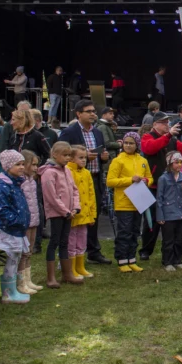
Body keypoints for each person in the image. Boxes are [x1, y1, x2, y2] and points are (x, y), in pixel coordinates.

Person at [58, 100, 111, 265]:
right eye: (88, 111)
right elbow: (61, 154)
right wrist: (83, 156)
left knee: (92, 215)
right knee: (76, 216)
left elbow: (102, 152)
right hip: (74, 181)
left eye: (94, 111)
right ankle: (69, 252)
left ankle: (93, 251)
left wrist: (104, 158)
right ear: (78, 114)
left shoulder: (97, 133)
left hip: (94, 178)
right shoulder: (69, 132)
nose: (93, 114)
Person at [139, 112, 182, 261]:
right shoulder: (148, 136)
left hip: (170, 185)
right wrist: (168, 135)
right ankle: (146, 249)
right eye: (163, 122)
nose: (167, 124)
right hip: (152, 184)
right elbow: (150, 148)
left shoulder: (171, 139)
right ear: (155, 124)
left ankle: (169, 251)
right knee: (151, 220)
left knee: (169, 219)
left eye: (168, 122)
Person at [107, 132, 152, 272]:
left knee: (134, 232)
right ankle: (122, 260)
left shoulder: (142, 161)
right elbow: (110, 181)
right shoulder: (118, 160)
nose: (128, 145)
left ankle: (132, 259)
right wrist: (130, 180)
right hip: (123, 202)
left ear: (137, 145)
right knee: (124, 232)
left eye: (131, 143)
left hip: (138, 202)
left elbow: (149, 177)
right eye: (126, 142)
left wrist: (147, 182)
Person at [0, 150, 32, 304]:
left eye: (23, 164)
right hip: (10, 230)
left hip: (18, 229)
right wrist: (16, 220)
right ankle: (8, 293)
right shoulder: (4, 185)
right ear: (7, 166)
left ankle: (12, 289)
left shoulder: (16, 182)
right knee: (12, 259)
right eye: (18, 164)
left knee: (15, 259)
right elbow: (2, 208)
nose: (22, 167)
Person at [39, 141, 81, 288]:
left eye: (69, 155)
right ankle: (51, 277)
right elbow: (52, 196)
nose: (67, 158)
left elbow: (74, 190)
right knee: (54, 242)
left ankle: (67, 273)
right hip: (57, 213)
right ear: (54, 154)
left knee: (65, 242)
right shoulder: (49, 173)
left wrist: (75, 207)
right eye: (64, 155)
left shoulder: (67, 170)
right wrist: (65, 211)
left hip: (69, 212)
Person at [156, 151, 182, 271]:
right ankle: (167, 262)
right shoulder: (163, 179)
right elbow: (159, 198)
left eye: (181, 162)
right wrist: (160, 215)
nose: (179, 165)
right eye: (176, 162)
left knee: (179, 239)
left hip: (181, 214)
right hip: (168, 214)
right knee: (168, 240)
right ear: (170, 164)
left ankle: (178, 260)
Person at [68, 145, 96, 280]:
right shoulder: (68, 171)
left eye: (85, 157)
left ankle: (80, 266)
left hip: (85, 215)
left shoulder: (86, 172)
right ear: (72, 158)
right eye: (80, 157)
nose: (84, 160)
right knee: (71, 241)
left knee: (82, 240)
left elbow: (91, 195)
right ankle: (70, 268)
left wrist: (92, 214)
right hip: (73, 214)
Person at [19, 150, 44, 294]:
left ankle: (28, 280)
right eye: (33, 165)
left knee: (29, 252)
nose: (35, 168)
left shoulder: (32, 181)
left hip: (34, 220)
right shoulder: (21, 181)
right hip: (25, 222)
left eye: (36, 165)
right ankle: (21, 282)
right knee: (23, 252)